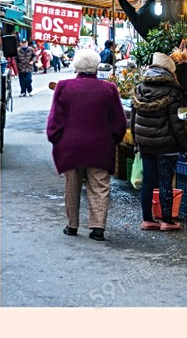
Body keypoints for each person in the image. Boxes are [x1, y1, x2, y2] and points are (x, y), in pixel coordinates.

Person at [46, 49, 127, 241]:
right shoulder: (109, 89)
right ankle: (98, 228)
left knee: (72, 186)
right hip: (100, 146)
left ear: (76, 66)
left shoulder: (64, 86)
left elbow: (55, 119)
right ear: (96, 67)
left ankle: (72, 225)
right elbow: (118, 122)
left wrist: (56, 139)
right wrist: (113, 139)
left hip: (70, 146)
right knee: (99, 186)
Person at [131, 52, 187, 232]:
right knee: (165, 181)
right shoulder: (173, 92)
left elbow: (133, 119)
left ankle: (147, 220)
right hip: (167, 144)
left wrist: (137, 142)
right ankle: (167, 221)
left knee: (148, 181)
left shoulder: (139, 88)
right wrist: (186, 144)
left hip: (146, 144)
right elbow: (178, 124)